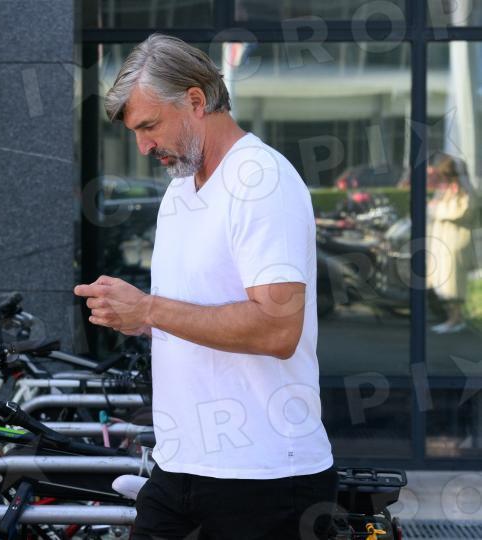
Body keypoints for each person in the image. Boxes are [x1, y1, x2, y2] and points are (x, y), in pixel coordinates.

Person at [74, 34, 337, 539]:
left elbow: (278, 329)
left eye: (149, 126)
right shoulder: (180, 191)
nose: (143, 146)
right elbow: (195, 314)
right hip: (181, 466)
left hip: (265, 478)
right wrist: (137, 318)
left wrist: (149, 310)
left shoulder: (261, 180)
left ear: (196, 100)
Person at [427, 152, 478, 334]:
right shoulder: (448, 189)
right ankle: (453, 318)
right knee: (444, 282)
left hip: (455, 242)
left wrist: (437, 210)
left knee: (453, 284)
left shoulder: (464, 190)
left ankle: (455, 320)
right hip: (443, 242)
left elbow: (465, 210)